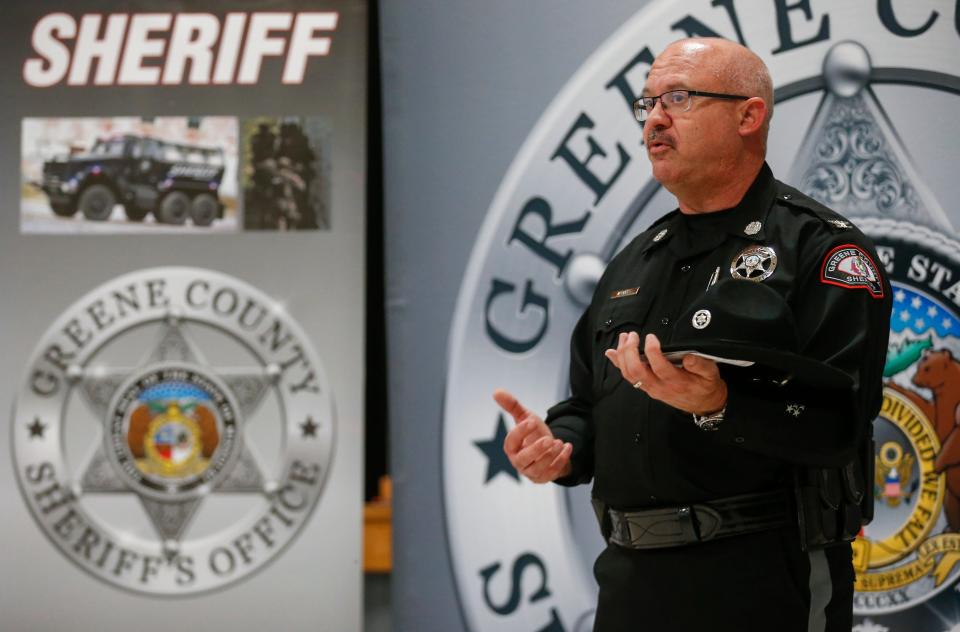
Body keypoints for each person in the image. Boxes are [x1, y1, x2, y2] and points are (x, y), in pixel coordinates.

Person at [495, 37, 891, 631]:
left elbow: (841, 422)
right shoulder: (633, 261)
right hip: (631, 582)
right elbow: (588, 402)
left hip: (761, 579)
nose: (654, 118)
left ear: (748, 115)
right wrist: (560, 445)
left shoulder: (820, 250)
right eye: (647, 103)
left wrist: (720, 405)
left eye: (678, 98)